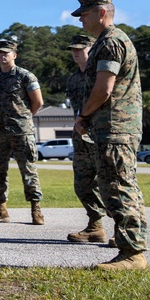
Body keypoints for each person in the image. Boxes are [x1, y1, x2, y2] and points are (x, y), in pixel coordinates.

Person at [72, 0, 147, 270]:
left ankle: (132, 254)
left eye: (85, 14)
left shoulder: (111, 42)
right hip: (113, 128)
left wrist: (84, 115)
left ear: (101, 12)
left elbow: (104, 89)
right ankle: (131, 245)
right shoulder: (109, 41)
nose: (81, 18)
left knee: (117, 186)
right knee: (123, 185)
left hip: (115, 128)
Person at [0, 40, 45, 225]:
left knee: (28, 170)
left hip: (21, 131)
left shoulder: (25, 76)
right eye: (0, 53)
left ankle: (36, 209)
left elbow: (38, 102)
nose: (3, 56)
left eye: (6, 53)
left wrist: (23, 118)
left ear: (14, 55)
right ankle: (1, 209)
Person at [64, 33, 108, 244]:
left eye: (80, 48)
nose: (75, 52)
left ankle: (122, 229)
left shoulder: (100, 73)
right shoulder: (73, 79)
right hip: (80, 136)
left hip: (101, 134)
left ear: (91, 49)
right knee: (82, 183)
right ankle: (95, 226)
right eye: (73, 49)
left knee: (109, 183)